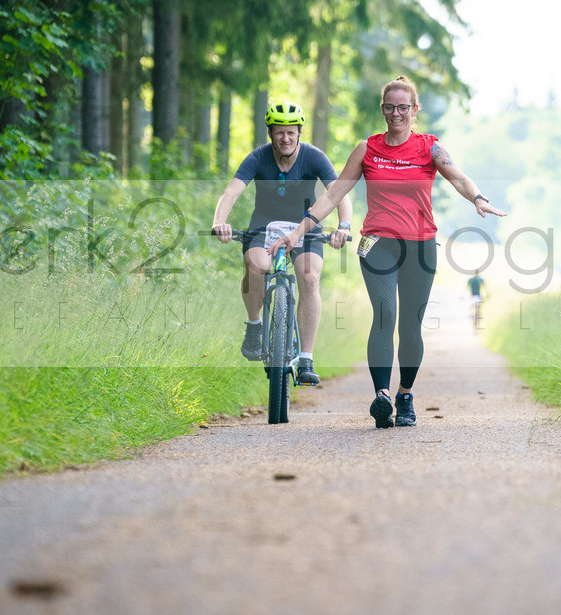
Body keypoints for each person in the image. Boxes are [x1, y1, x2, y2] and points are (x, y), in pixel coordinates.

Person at [269, 76, 506, 428]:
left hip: (421, 244)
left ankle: (405, 396)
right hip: (377, 243)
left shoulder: (429, 147)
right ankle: (381, 396)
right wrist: (298, 230)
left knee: (411, 327)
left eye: (403, 107)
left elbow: (457, 176)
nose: (397, 113)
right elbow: (334, 194)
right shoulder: (367, 149)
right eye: (391, 107)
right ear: (383, 109)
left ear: (414, 110)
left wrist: (478, 198)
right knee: (385, 314)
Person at [212, 100, 352, 385]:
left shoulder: (314, 157)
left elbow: (339, 194)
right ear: (270, 133)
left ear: (299, 132)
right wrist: (219, 222)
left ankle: (306, 359)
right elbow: (231, 192)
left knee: (310, 277)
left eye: (290, 132)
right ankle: (254, 325)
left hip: (306, 225)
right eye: (279, 133)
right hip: (265, 225)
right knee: (255, 266)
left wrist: (344, 226)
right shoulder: (258, 157)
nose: (285, 138)